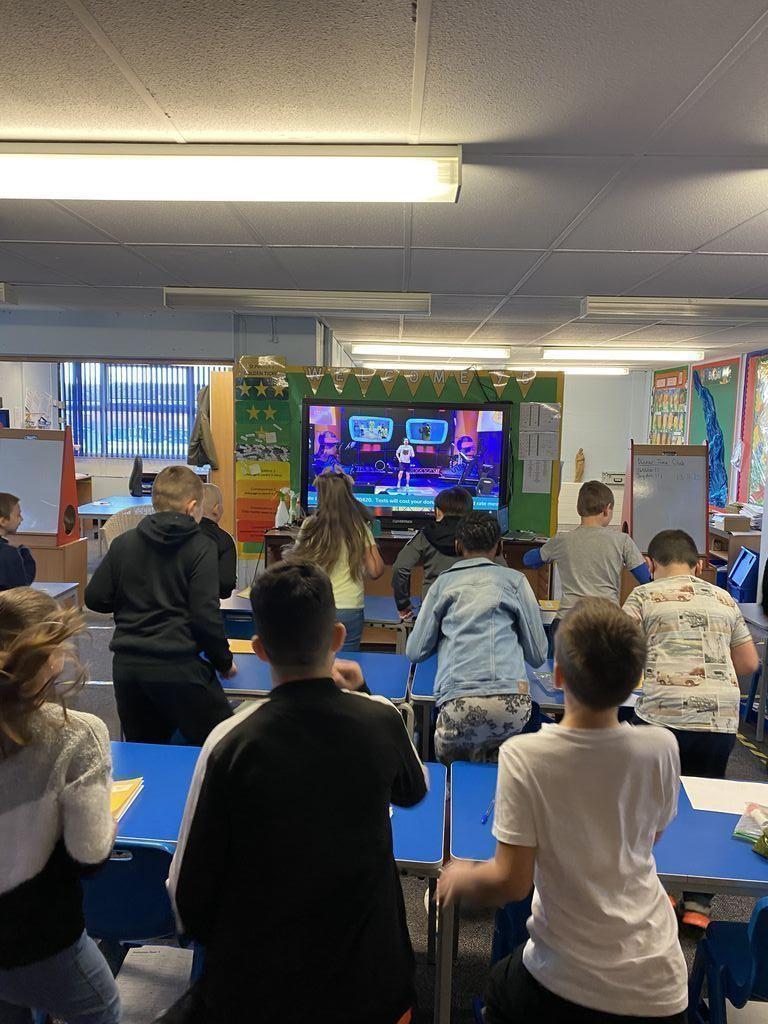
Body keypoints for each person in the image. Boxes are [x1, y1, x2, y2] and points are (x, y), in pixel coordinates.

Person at [167, 561, 427, 1024]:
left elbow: (185, 895)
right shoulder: (380, 719)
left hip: (262, 994)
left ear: (259, 649)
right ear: (337, 638)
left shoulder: (229, 741)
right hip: (373, 987)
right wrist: (365, 693)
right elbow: (413, 790)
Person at [437, 598, 688, 1024]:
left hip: (566, 979)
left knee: (500, 986)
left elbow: (511, 882)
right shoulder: (662, 745)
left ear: (557, 677)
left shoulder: (526, 754)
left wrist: (462, 878)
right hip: (661, 983)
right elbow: (652, 835)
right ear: (635, 681)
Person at [623, 528, 759, 932]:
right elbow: (749, 663)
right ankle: (699, 904)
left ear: (651, 564)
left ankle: (661, 889)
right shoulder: (723, 598)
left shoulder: (643, 596)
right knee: (705, 802)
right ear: (698, 565)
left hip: (661, 717)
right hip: (719, 720)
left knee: (652, 802)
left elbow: (619, 656)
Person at [0, 588, 120, 1024]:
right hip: (42, 940)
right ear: (51, 658)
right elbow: (89, 856)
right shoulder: (78, 734)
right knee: (103, 1008)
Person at [85, 465, 236, 746]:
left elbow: (95, 597)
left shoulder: (124, 543)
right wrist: (224, 662)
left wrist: (131, 600)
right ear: (192, 507)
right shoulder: (201, 547)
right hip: (180, 667)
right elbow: (205, 614)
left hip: (129, 670)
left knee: (145, 752)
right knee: (225, 743)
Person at [407, 512, 548, 763]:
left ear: (457, 546)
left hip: (459, 703)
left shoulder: (442, 584)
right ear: (499, 547)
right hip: (512, 705)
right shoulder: (516, 581)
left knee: (454, 772)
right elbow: (538, 656)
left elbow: (415, 651)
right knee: (504, 771)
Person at [522, 480, 650, 646]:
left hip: (568, 622)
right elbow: (646, 579)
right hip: (607, 622)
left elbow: (529, 560)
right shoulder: (622, 541)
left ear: (578, 509)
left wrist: (545, 549)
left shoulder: (562, 540)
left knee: (561, 662)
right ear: (607, 509)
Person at [286, 469, 384, 652]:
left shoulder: (310, 525)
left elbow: (296, 566)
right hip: (350, 607)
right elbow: (375, 570)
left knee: (316, 659)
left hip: (317, 605)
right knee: (348, 660)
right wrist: (369, 544)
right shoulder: (359, 527)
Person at [392, 485, 473, 620]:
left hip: (432, 610)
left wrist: (403, 604)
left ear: (437, 511)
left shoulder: (425, 535)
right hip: (471, 610)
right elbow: (503, 571)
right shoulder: (481, 536)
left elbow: (400, 567)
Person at [199, 482, 237, 599]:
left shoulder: (177, 532)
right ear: (217, 509)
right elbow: (226, 585)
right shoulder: (224, 539)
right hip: (206, 605)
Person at [0, 493, 36, 592]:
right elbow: (21, 591)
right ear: (3, 521)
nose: (21, 519)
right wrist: (26, 555)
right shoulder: (8, 553)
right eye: (18, 515)